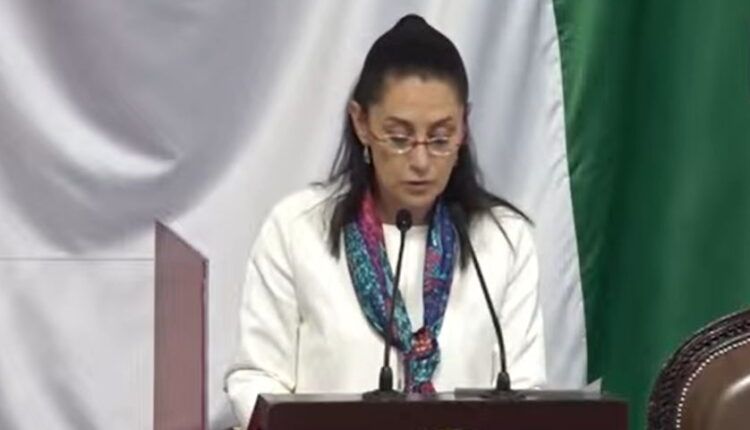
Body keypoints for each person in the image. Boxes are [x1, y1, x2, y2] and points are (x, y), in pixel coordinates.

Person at [224, 14, 546, 427]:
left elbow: (526, 394)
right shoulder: (297, 229)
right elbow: (256, 378)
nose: (421, 161)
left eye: (440, 138)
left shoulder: (503, 240)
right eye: (399, 137)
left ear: (464, 128)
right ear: (361, 123)